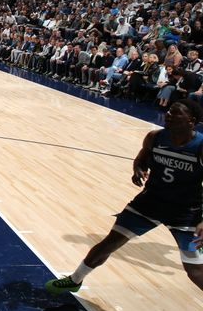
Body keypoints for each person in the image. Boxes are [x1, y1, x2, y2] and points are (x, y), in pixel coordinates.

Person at [46, 100, 203, 295]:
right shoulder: (155, 137)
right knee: (109, 243)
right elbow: (141, 159)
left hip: (185, 213)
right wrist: (138, 169)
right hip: (149, 203)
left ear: (191, 121)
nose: (169, 115)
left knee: (194, 271)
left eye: (176, 113)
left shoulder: (200, 146)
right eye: (169, 111)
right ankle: (74, 280)